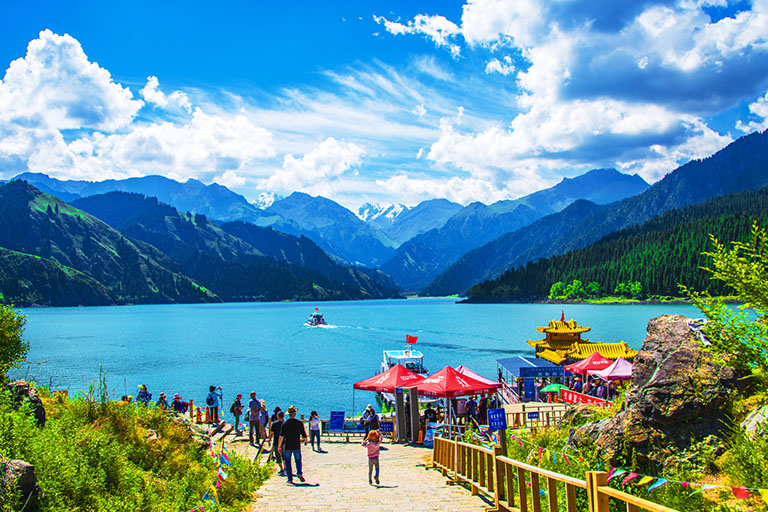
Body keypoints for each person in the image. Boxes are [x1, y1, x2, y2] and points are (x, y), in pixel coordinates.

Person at [278, 405, 307, 484]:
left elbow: (281, 436)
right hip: (296, 445)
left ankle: (290, 478)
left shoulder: (285, 424)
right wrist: (305, 440)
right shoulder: (299, 423)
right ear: (295, 414)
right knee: (298, 460)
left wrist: (279, 446)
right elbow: (304, 434)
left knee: (288, 461)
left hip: (288, 445)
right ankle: (299, 473)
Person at [269, 411, 285, 475]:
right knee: (284, 455)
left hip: (276, 441)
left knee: (278, 456)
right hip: (284, 441)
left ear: (277, 417)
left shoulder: (274, 424)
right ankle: (285, 467)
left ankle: (281, 469)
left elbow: (272, 433)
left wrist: (270, 439)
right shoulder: (285, 423)